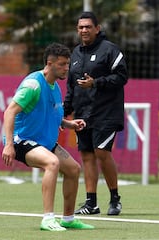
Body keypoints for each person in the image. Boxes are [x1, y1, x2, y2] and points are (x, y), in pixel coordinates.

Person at [2, 43, 94, 231]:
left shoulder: (54, 86)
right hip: (22, 140)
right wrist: (9, 145)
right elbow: (9, 112)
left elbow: (52, 114)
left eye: (67, 64)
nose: (66, 68)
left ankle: (68, 219)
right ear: (49, 63)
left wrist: (69, 124)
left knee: (74, 170)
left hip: (43, 142)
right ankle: (47, 219)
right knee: (52, 163)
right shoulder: (33, 84)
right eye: (61, 64)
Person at [63, 12, 128, 216]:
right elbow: (71, 87)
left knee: (101, 152)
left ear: (97, 28)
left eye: (88, 27)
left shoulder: (110, 50)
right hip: (83, 113)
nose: (84, 30)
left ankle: (115, 199)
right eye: (81, 27)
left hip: (106, 112)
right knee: (87, 155)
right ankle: (91, 203)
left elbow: (121, 77)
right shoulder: (74, 54)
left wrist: (96, 82)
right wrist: (64, 113)